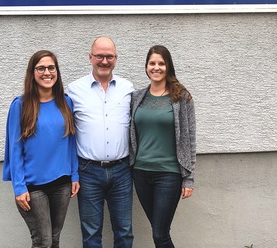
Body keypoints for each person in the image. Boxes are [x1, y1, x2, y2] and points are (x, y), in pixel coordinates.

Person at [2, 50, 79, 248]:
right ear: (32, 73)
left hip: (62, 183)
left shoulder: (66, 102)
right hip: (33, 186)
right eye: (41, 68)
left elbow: (71, 142)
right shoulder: (21, 105)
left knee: (54, 239)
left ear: (57, 71)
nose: (47, 72)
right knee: (43, 241)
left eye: (51, 68)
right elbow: (15, 148)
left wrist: (75, 175)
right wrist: (19, 187)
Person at [66, 36, 134, 248]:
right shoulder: (73, 90)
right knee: (91, 234)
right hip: (88, 171)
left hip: (122, 170)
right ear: (90, 57)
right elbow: (65, 132)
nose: (104, 61)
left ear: (116, 58)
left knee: (124, 232)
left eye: (109, 56)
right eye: (99, 56)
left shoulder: (128, 88)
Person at [130, 45, 197, 248]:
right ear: (146, 67)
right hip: (140, 172)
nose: (156, 67)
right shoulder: (137, 97)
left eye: (161, 63)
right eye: (152, 63)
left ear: (168, 67)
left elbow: (190, 138)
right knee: (159, 231)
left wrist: (189, 178)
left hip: (168, 174)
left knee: (160, 234)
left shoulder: (181, 97)